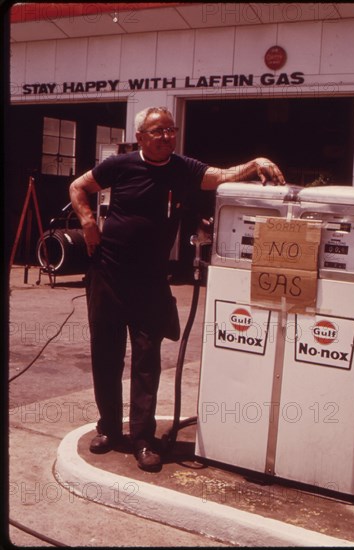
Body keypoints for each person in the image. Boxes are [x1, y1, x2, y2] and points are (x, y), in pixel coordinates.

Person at [69, 106, 285, 472]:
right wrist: (88, 221)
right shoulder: (119, 165)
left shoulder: (182, 167)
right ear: (140, 137)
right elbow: (78, 186)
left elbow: (221, 175)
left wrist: (254, 162)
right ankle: (108, 427)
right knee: (106, 355)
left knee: (146, 359)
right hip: (108, 274)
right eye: (158, 131)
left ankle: (142, 437)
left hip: (151, 280)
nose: (167, 136)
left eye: (171, 129)